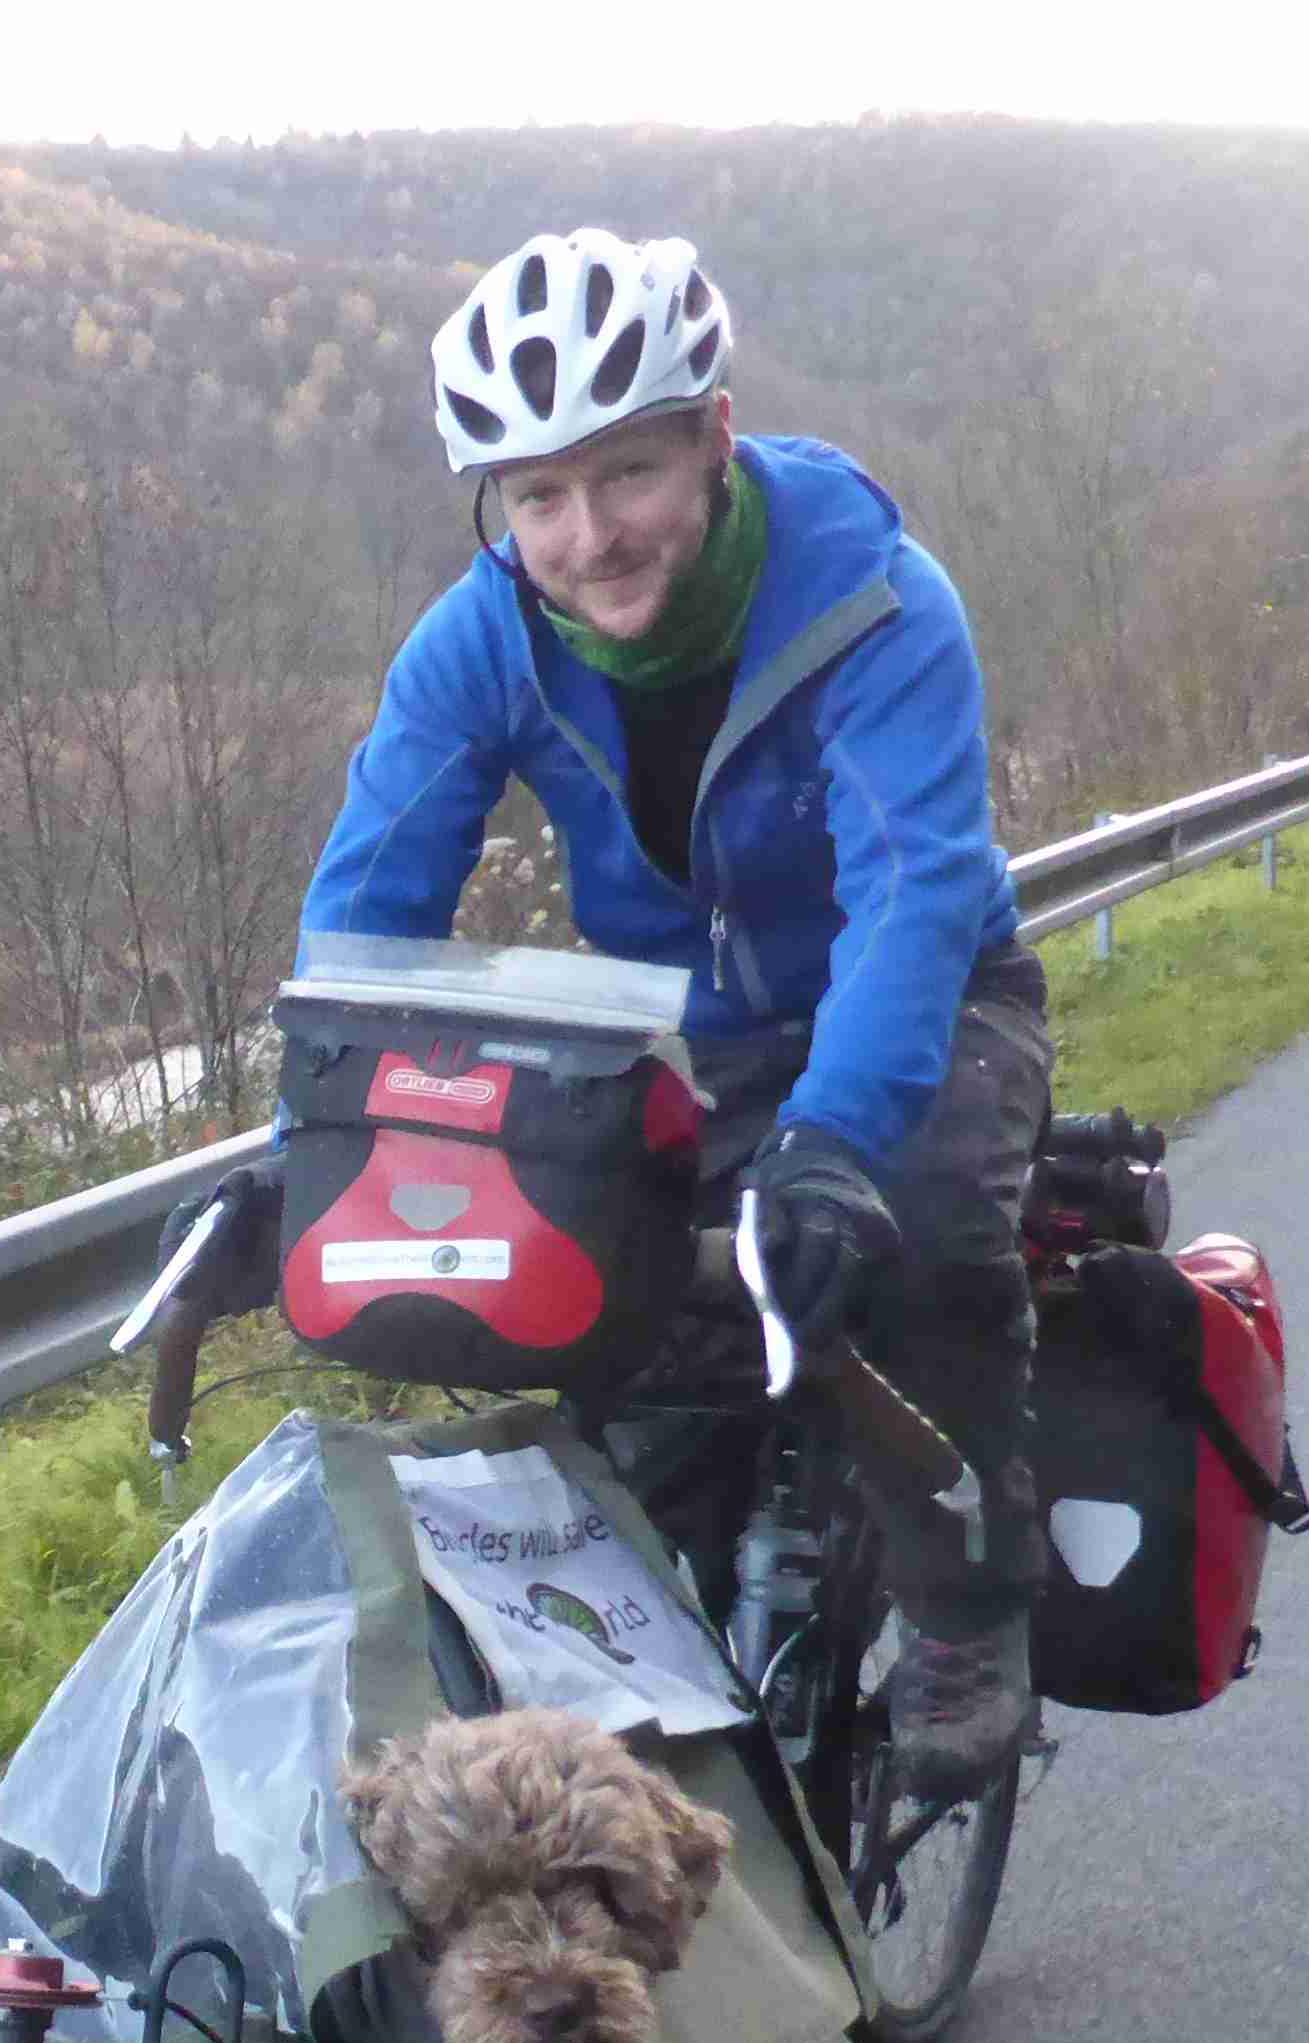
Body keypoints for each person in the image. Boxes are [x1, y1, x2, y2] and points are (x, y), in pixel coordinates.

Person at [178, 226, 1056, 1794]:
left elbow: (915, 900)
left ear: (716, 438)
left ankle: (963, 1604)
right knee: (616, 1330)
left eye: (628, 474)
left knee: (916, 1241)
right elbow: (370, 915)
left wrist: (835, 1143)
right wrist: (316, 1134)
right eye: (539, 497)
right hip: (689, 1030)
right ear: (495, 508)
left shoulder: (875, 605)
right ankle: (659, 1668)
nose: (588, 536)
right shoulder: (480, 643)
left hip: (922, 998)